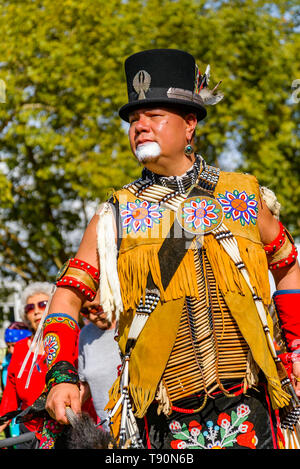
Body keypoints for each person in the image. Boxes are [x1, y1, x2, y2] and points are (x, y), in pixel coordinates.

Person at [43, 49, 300, 450]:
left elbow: (288, 267)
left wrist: (297, 347)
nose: (140, 126)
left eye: (154, 116)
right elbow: (65, 300)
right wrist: (60, 376)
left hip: (252, 410)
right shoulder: (113, 216)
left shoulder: (243, 195)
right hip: (161, 420)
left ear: (190, 124)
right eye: (133, 120)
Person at [0, 282, 52, 448]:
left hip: (63, 430)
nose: (36, 310)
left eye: (43, 304)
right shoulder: (21, 347)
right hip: (28, 432)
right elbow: (10, 394)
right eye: (30, 307)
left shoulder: (70, 339)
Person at [78, 291, 121, 431]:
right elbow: (85, 385)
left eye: (97, 308)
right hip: (109, 431)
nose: (91, 316)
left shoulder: (130, 325)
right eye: (85, 311)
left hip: (144, 426)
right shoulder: (85, 335)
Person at [0, 322, 32, 440]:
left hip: (31, 421)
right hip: (11, 419)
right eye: (9, 346)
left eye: (14, 345)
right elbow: (9, 396)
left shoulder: (34, 361)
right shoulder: (7, 362)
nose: (12, 350)